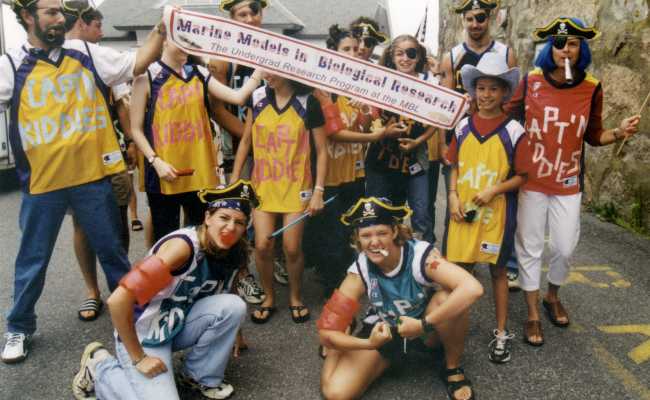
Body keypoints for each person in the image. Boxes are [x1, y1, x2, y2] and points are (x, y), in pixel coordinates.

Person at [1, 0, 174, 363]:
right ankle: (19, 326)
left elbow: (137, 63)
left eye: (61, 11)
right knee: (32, 260)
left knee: (113, 253)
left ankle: (137, 315)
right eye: (50, 12)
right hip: (42, 184)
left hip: (92, 179)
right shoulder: (11, 64)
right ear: (28, 17)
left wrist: (162, 26)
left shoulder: (83, 52)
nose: (60, 18)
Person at [504, 18, 640, 346]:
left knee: (564, 247)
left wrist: (620, 132)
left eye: (574, 44)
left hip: (567, 181)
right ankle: (533, 313)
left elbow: (593, 136)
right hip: (531, 180)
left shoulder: (592, 86)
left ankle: (553, 295)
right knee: (530, 247)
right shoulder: (530, 81)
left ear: (582, 49)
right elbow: (507, 118)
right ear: (551, 47)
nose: (566, 49)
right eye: (560, 43)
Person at [72, 181, 256, 400]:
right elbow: (119, 300)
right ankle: (100, 368)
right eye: (224, 218)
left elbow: (230, 295)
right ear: (208, 218)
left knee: (234, 306)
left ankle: (197, 375)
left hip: (174, 322)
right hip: (144, 333)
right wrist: (139, 358)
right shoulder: (183, 249)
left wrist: (235, 332)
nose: (231, 228)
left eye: (240, 222)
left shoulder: (233, 250)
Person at [319, 198, 483, 400]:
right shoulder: (359, 271)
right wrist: (367, 343)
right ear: (357, 238)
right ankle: (347, 332)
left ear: (395, 230)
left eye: (382, 233)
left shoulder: (421, 255)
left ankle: (452, 368)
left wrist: (423, 325)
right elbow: (324, 336)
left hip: (426, 328)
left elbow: (472, 288)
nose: (374, 242)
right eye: (366, 235)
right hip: (386, 330)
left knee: (449, 296)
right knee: (335, 393)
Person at [129, 38, 262, 243]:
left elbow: (238, 98)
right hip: (165, 173)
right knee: (166, 239)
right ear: (164, 41)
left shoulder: (200, 73)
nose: (188, 48)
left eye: (190, 43)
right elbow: (135, 129)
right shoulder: (146, 77)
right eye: (181, 42)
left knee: (200, 236)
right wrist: (156, 161)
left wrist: (260, 68)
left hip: (199, 170)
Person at [444, 53, 529, 362]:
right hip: (462, 211)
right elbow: (453, 166)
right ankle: (451, 329)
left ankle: (501, 332)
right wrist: (452, 195)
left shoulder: (514, 130)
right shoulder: (464, 125)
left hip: (496, 215)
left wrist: (495, 188)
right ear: (473, 90)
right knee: (460, 271)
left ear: (505, 92)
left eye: (494, 89)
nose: (486, 95)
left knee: (497, 271)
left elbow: (523, 175)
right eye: (481, 88)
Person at [229, 72, 327, 324]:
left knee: (292, 247)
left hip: (297, 185)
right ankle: (269, 298)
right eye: (264, 70)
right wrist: (233, 181)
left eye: (272, 70)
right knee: (262, 245)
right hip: (263, 185)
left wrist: (319, 190)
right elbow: (246, 142)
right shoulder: (258, 97)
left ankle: (295, 297)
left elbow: (322, 150)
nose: (266, 75)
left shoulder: (308, 101)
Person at [62, 0, 137, 322]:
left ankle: (121, 287)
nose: (102, 32)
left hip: (111, 153)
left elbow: (122, 106)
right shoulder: (58, 60)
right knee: (82, 223)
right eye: (97, 26)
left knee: (118, 218)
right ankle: (93, 291)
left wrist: (131, 141)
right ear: (81, 24)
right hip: (74, 157)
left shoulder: (104, 61)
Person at [439, 0, 520, 286]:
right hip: (464, 136)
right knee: (460, 205)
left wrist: (500, 126)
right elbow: (445, 106)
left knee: (499, 205)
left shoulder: (505, 53)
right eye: (470, 18)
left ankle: (505, 264)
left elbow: (513, 100)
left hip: (496, 135)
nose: (475, 23)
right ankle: (459, 271)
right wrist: (441, 141)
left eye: (481, 18)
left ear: (489, 20)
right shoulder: (452, 56)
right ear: (463, 20)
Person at [305, 24, 389, 301]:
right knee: (331, 235)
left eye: (356, 48)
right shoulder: (322, 90)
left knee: (351, 229)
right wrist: (375, 138)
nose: (354, 53)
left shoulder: (361, 86)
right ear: (333, 53)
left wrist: (365, 110)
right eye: (346, 49)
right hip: (329, 175)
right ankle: (331, 287)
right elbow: (334, 133)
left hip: (355, 172)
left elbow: (365, 128)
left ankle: (350, 280)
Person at [209, 0, 268, 304]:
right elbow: (217, 109)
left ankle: (274, 259)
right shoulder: (222, 56)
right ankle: (243, 273)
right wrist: (253, 137)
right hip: (239, 148)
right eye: (241, 14)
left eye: (254, 12)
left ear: (262, 15)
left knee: (274, 208)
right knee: (240, 211)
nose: (249, 18)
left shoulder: (274, 50)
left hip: (277, 151)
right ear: (231, 18)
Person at [365, 35, 438, 242]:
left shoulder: (430, 82)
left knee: (421, 214)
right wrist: (382, 129)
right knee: (381, 215)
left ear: (419, 57)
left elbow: (438, 118)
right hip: (382, 159)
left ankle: (425, 264)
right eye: (400, 53)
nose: (405, 58)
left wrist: (419, 140)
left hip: (416, 159)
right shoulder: (380, 79)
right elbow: (369, 120)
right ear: (392, 56)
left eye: (411, 53)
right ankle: (385, 261)